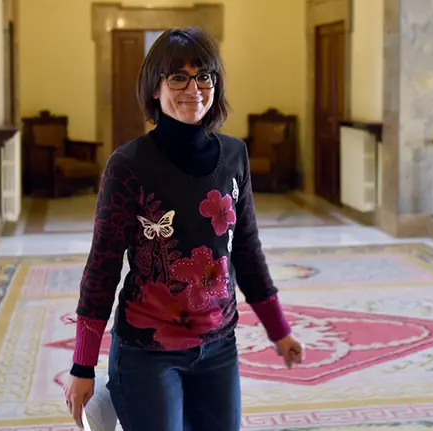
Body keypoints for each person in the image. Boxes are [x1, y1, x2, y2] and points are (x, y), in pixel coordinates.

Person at [63, 27, 304, 431]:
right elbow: (102, 267)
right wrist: (81, 364)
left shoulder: (234, 154)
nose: (194, 88)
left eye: (204, 76)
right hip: (146, 351)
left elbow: (245, 250)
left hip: (219, 345)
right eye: (178, 77)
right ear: (155, 89)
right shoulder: (129, 165)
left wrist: (279, 330)